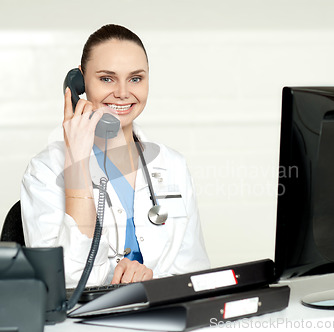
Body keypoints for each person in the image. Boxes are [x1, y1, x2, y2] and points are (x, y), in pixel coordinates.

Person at [21, 24, 210, 289]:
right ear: (79, 83)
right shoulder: (46, 171)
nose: (122, 92)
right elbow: (67, 283)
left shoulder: (173, 165)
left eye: (135, 78)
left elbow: (195, 274)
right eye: (107, 78)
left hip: (163, 315)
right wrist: (77, 165)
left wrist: (151, 281)